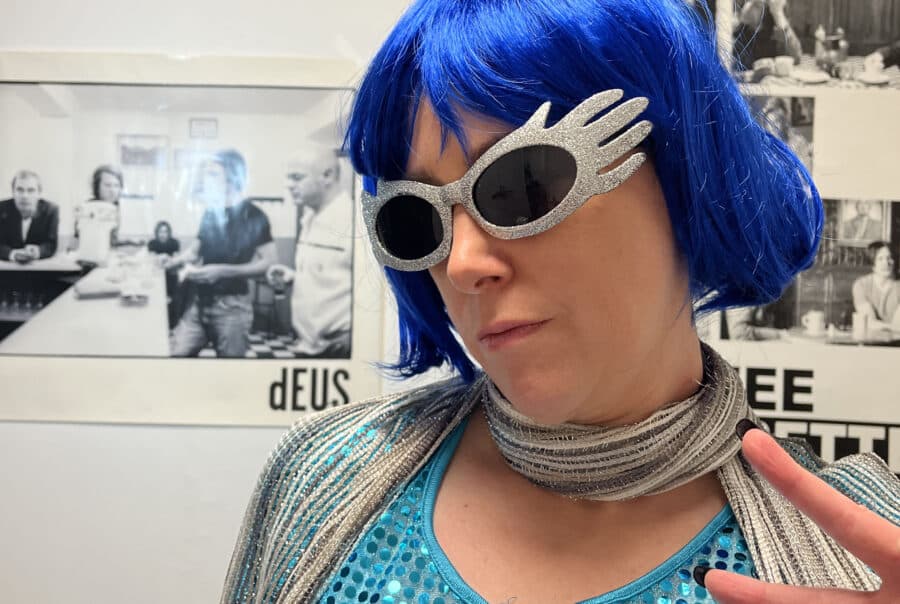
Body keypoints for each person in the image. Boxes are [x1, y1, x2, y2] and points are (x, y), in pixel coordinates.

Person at [222, 2, 900, 603]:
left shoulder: (867, 551)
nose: (461, 264)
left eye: (522, 183)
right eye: (415, 218)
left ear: (687, 179)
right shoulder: (324, 479)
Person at [165, 150, 276, 357]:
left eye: (213, 174)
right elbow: (194, 252)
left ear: (232, 176)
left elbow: (269, 262)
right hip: (199, 303)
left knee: (230, 370)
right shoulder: (211, 212)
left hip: (233, 308)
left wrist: (223, 271)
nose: (206, 180)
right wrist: (170, 261)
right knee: (175, 354)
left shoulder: (254, 215)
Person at [266, 149, 353, 358]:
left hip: (337, 348)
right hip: (308, 345)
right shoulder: (309, 218)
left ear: (327, 176)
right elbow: (333, 275)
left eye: (296, 177)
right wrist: (292, 276)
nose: (288, 185)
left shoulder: (353, 221)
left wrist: (352, 339)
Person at [70, 165, 143, 265]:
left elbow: (109, 241)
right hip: (88, 264)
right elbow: (80, 245)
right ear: (97, 187)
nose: (112, 190)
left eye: (116, 185)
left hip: (104, 261)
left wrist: (129, 241)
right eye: (107, 185)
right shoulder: (88, 209)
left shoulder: (114, 208)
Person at [733, 0, 802, 68]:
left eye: (757, 5)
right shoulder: (741, 30)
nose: (749, 6)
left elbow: (795, 57)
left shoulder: (776, 26)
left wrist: (778, 14)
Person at [852, 241, 900, 331]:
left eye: (889, 258)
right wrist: (891, 327)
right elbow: (869, 322)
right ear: (872, 263)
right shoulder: (861, 285)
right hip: (869, 337)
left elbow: (898, 325)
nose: (886, 263)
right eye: (880, 259)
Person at [148, 220, 182, 327]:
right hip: (157, 274)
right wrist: (161, 258)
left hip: (171, 274)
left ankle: (173, 325)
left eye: (165, 232)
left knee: (173, 299)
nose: (163, 234)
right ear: (157, 233)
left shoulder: (174, 243)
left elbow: (176, 259)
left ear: (169, 233)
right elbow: (151, 259)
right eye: (160, 232)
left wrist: (166, 258)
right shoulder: (152, 243)